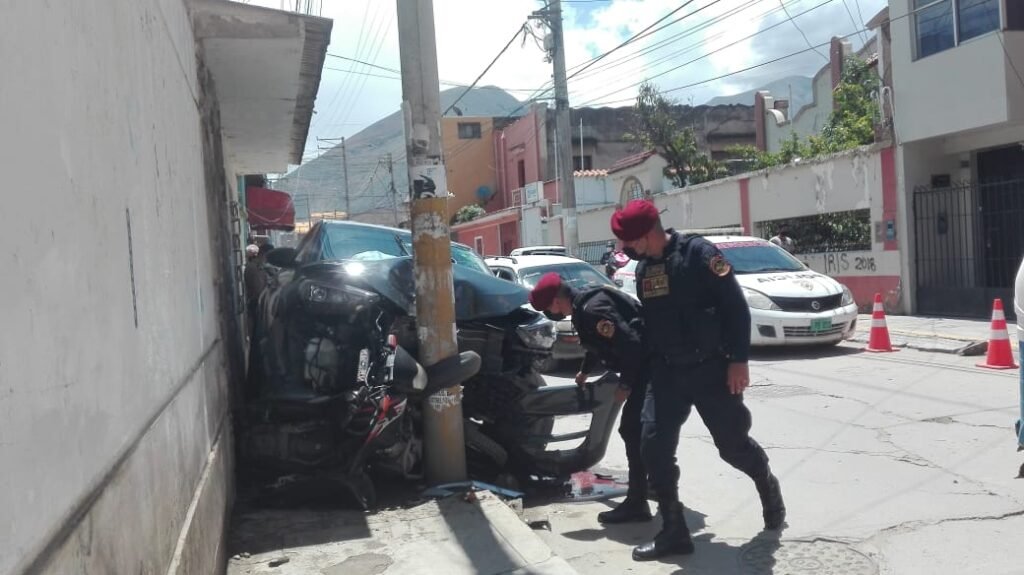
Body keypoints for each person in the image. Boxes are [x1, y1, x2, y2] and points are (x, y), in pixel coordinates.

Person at [610, 199, 786, 561]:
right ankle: (674, 531)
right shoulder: (645, 269)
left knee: (732, 446)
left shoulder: (699, 255)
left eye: (630, 240)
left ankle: (765, 482)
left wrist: (739, 360)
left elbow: (735, 307)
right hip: (667, 373)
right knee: (652, 446)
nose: (626, 248)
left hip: (711, 369)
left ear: (647, 233)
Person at [528, 273, 652, 524]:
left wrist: (626, 385)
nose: (551, 313)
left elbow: (632, 345)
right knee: (646, 431)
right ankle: (655, 484)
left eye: (548, 308)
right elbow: (598, 344)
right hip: (646, 367)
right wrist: (585, 371)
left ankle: (638, 503)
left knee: (632, 430)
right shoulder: (584, 306)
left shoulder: (593, 310)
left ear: (555, 302)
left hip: (649, 369)